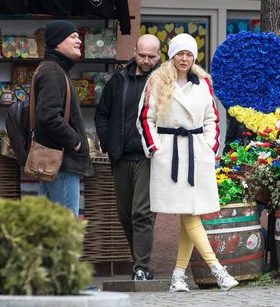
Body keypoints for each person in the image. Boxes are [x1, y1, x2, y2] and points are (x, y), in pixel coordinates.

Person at [137, 33, 239, 292]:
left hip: (196, 154)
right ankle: (217, 269)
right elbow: (145, 118)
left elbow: (212, 120)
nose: (184, 58)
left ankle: (178, 277)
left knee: (189, 215)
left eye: (189, 54)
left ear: (194, 57)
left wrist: (209, 147)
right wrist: (155, 148)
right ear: (172, 55)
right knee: (190, 216)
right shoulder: (157, 81)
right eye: (180, 53)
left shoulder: (203, 83)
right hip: (168, 154)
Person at [94, 34, 161, 281]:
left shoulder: (164, 80)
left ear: (159, 55)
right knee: (124, 214)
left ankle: (141, 266)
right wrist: (107, 142)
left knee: (142, 212)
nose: (145, 60)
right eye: (141, 55)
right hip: (121, 156)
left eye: (151, 56)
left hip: (149, 156)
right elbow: (102, 114)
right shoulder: (119, 80)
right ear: (134, 51)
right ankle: (140, 264)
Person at [34, 21, 93, 217]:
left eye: (78, 36)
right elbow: (48, 116)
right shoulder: (52, 71)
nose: (79, 40)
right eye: (73, 36)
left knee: (50, 229)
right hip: (62, 163)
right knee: (65, 227)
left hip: (54, 162)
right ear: (57, 43)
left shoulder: (55, 68)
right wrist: (75, 142)